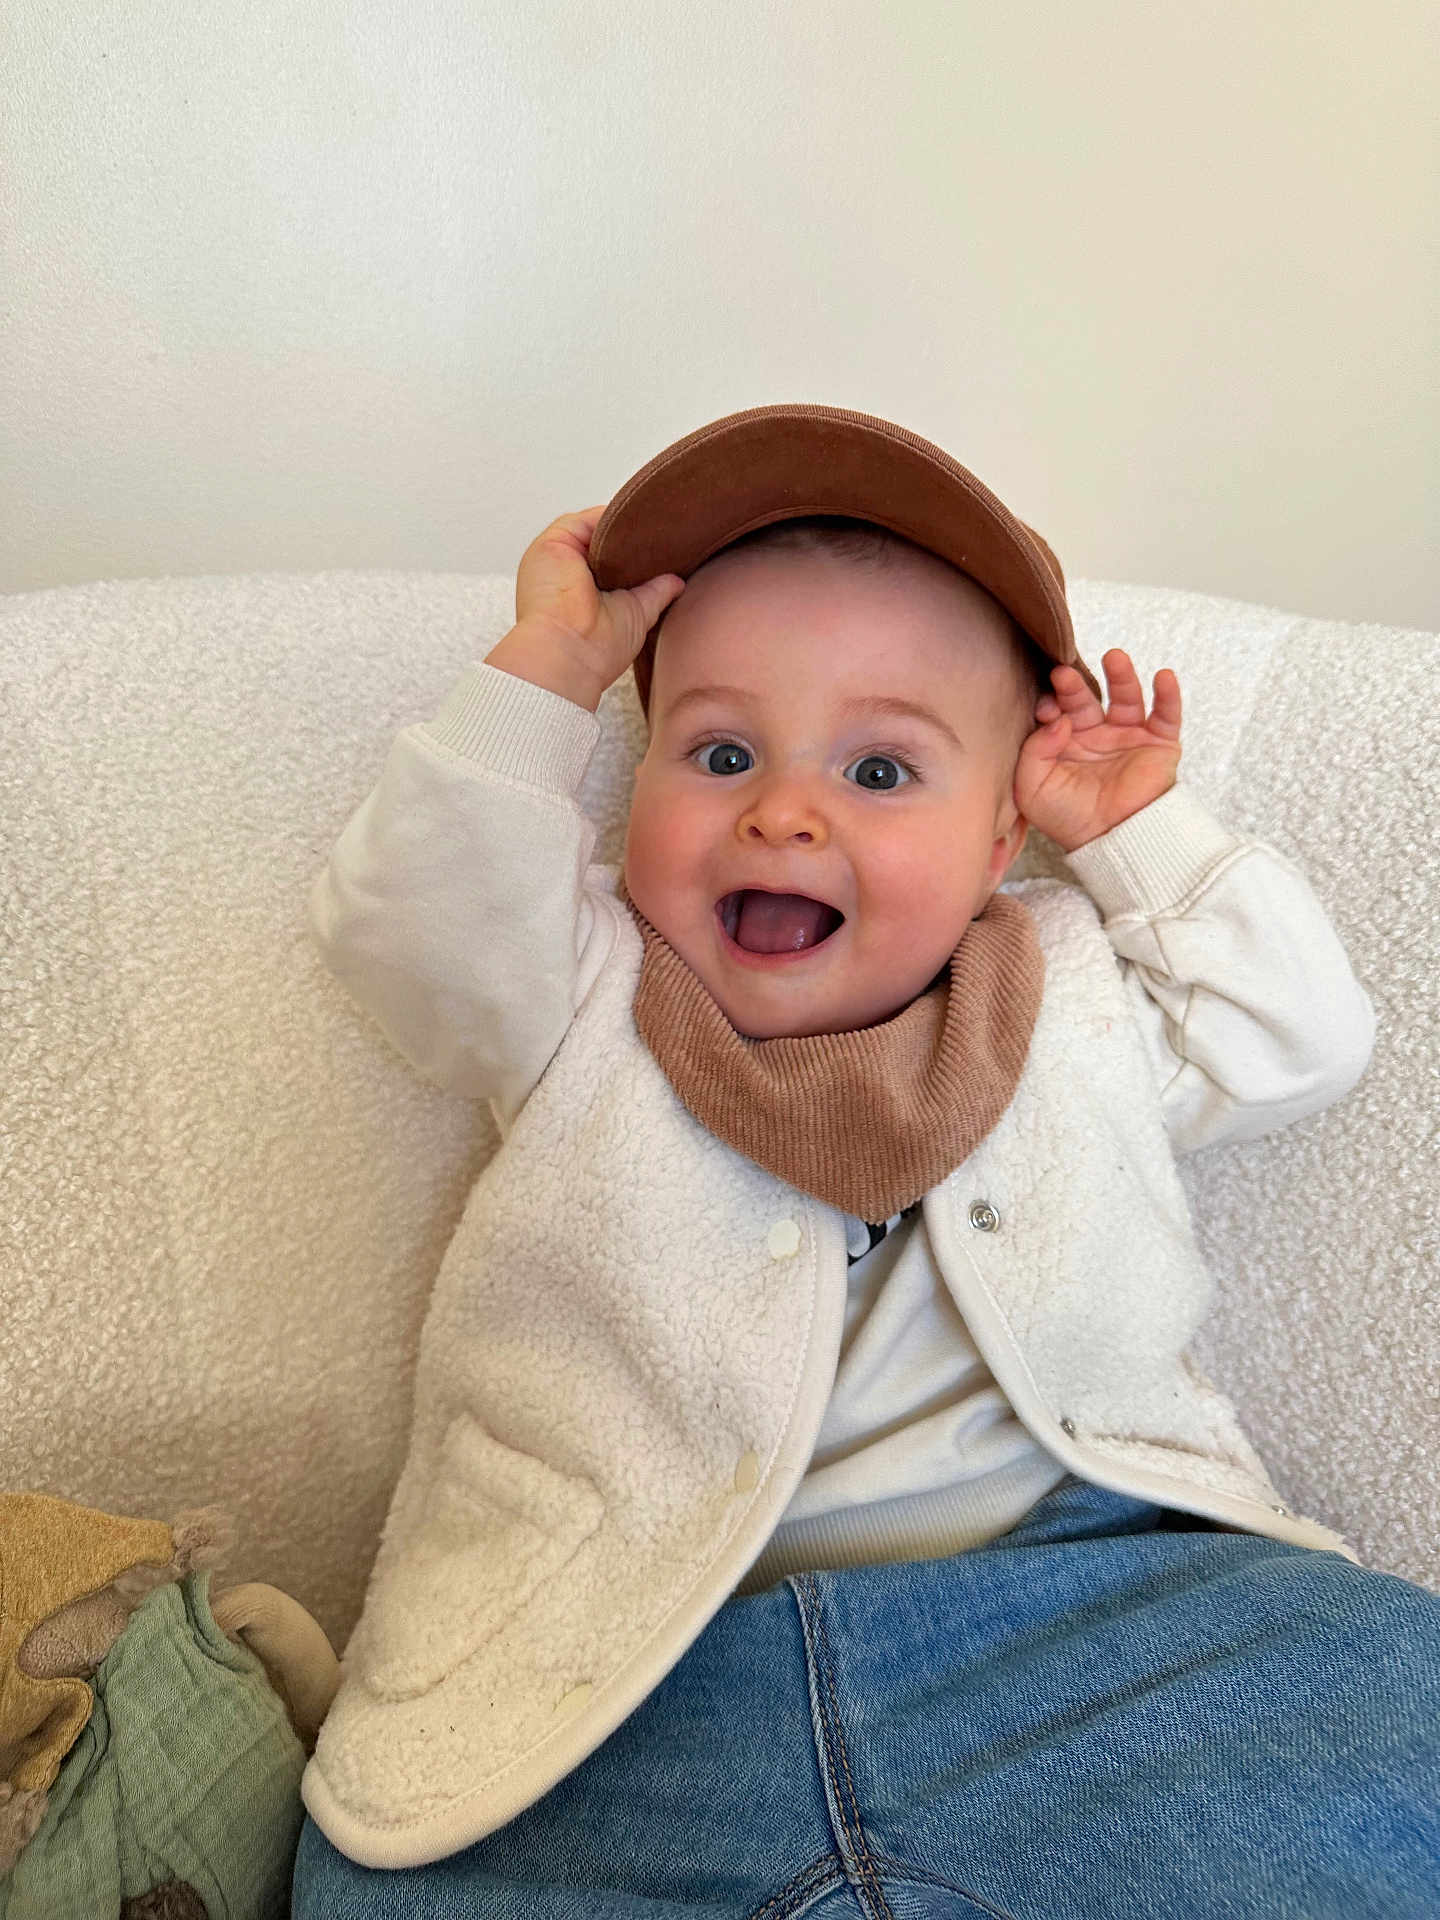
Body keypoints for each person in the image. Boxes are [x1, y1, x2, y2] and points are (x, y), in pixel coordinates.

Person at [291, 406, 1440, 1918]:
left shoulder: (1069, 988)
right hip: (616, 1662)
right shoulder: (578, 985)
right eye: (719, 752)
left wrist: (1132, 833)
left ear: (999, 841)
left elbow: (1297, 1037)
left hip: (1090, 1618)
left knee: (1385, 1696)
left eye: (883, 772)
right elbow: (415, 932)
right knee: (416, 1860)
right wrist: (545, 675)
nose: (784, 810)